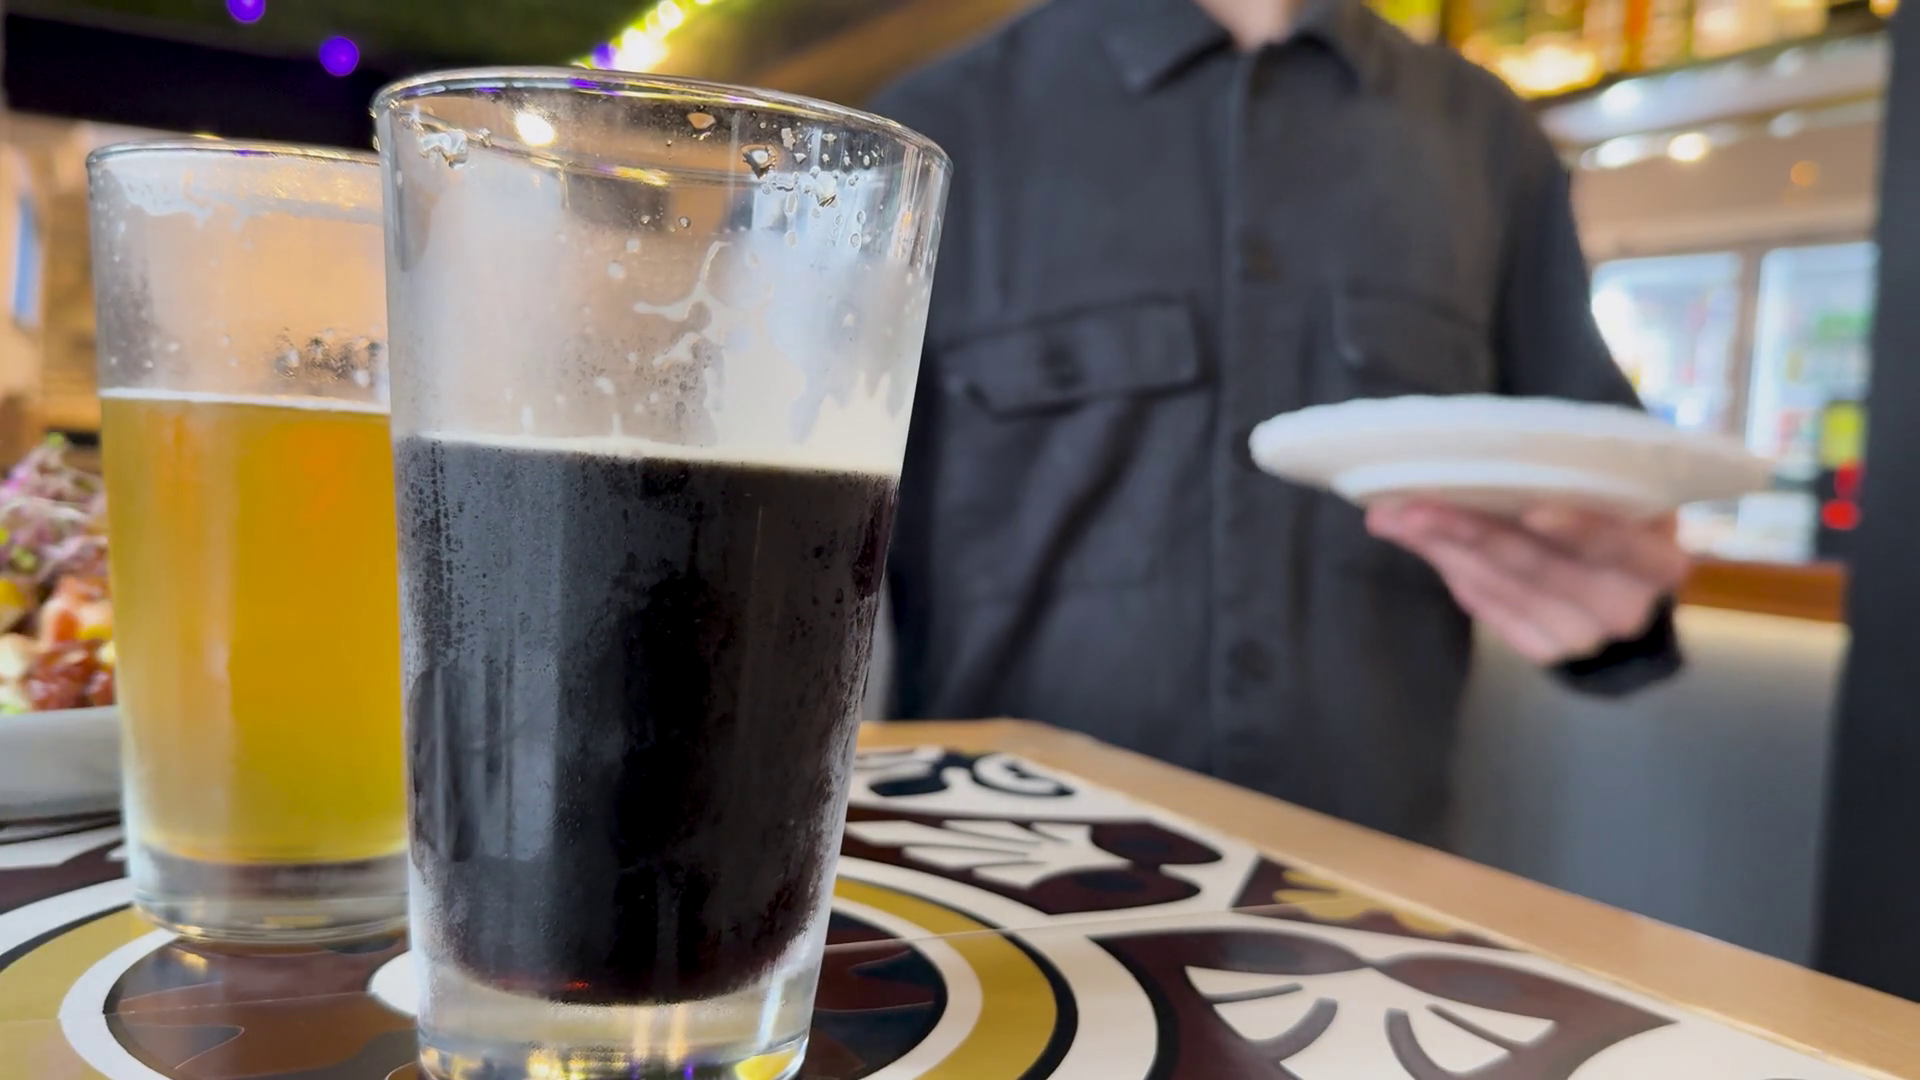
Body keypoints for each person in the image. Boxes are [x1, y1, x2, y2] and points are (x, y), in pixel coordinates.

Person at [870, 0, 1691, 842]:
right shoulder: (929, 131)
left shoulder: (1490, 140)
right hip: (990, 873)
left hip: (1365, 880)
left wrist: (1609, 598)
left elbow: (1603, 501)